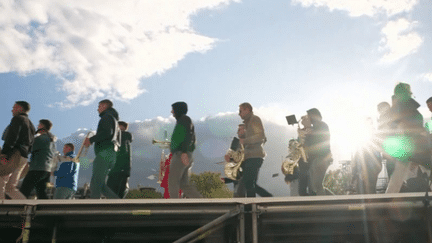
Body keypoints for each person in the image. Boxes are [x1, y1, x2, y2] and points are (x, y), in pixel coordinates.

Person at [384, 83, 430, 193]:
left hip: (405, 151)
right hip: (411, 150)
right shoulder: (409, 109)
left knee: (396, 179)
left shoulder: (396, 110)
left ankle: (387, 202)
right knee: (398, 178)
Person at [84, 99, 120, 199]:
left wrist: (91, 139)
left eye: (99, 106)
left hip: (105, 154)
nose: (97, 109)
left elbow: (107, 133)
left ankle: (93, 209)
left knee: (96, 184)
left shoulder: (107, 117)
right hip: (110, 154)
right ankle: (120, 204)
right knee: (99, 185)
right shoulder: (113, 119)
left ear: (105, 106)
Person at [0, 101, 35, 200]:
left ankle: (1, 209)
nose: (12, 109)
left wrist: (4, 154)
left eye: (14, 107)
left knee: (1, 180)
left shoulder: (18, 119)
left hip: (14, 155)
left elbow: (12, 137)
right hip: (23, 157)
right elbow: (32, 144)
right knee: (10, 188)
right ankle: (26, 206)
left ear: (20, 108)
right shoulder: (31, 125)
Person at [168, 101, 202, 198]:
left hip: (181, 154)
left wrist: (183, 152)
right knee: (184, 184)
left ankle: (174, 206)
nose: (171, 112)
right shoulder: (184, 120)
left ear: (178, 110)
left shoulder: (184, 119)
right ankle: (201, 201)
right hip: (185, 153)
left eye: (173, 109)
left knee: (173, 181)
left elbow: (188, 136)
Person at [238, 102, 272, 197]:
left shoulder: (254, 119)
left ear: (247, 109)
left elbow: (260, 136)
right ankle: (266, 198)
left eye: (240, 111)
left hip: (254, 156)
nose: (239, 113)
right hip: (250, 156)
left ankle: (252, 205)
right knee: (249, 183)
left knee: (248, 183)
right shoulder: (248, 122)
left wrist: (245, 141)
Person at [20, 119, 56, 199]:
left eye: (39, 125)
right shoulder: (51, 140)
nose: (37, 127)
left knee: (24, 191)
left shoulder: (41, 139)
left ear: (42, 126)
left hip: (37, 169)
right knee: (41, 193)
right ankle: (46, 210)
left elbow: (27, 148)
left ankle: (16, 209)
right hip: (46, 170)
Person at [303, 108, 333, 195]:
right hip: (318, 158)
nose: (308, 118)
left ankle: (326, 204)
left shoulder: (322, 126)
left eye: (309, 116)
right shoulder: (315, 127)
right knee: (317, 186)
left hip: (322, 158)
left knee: (317, 185)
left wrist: (309, 133)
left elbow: (320, 140)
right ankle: (334, 199)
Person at [107, 121, 133, 199]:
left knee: (115, 194)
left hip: (120, 170)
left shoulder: (124, 136)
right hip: (115, 170)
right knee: (112, 192)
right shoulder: (117, 140)